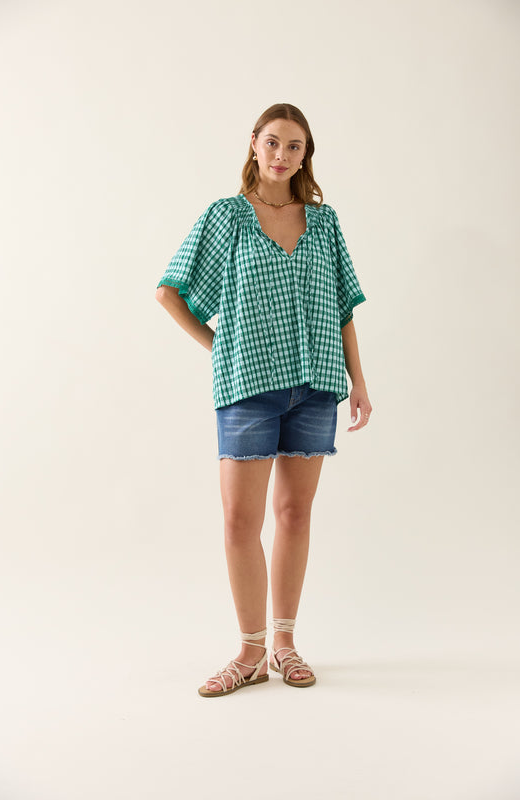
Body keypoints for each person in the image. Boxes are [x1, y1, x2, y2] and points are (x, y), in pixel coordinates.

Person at [155, 102, 372, 698]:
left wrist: (358, 380)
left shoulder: (324, 223)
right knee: (239, 521)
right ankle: (250, 652)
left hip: (316, 386)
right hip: (248, 388)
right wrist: (219, 346)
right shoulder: (226, 217)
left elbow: (344, 308)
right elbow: (170, 291)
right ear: (254, 143)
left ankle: (284, 644)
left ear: (306, 155)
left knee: (295, 515)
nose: (282, 154)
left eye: (294, 146)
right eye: (272, 142)